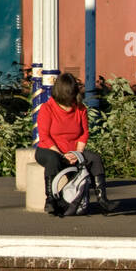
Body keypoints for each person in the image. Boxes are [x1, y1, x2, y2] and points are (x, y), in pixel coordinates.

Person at [35, 72, 110, 215]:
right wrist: (62, 155)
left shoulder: (80, 109)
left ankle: (102, 199)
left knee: (94, 159)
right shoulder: (47, 108)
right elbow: (45, 136)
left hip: (74, 151)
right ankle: (50, 199)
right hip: (49, 150)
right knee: (53, 160)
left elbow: (84, 133)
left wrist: (78, 153)